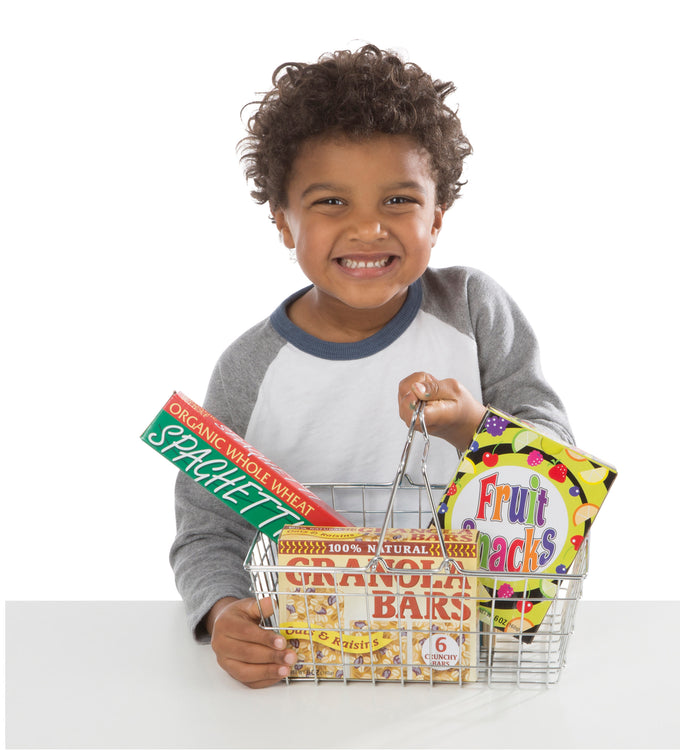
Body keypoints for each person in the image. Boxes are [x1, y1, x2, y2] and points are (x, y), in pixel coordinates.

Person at [169, 44, 573, 689]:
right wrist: (222, 613)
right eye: (330, 202)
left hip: (479, 656)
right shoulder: (251, 369)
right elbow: (209, 528)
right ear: (283, 222)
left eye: (397, 202)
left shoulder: (473, 310)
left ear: (436, 218)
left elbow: (560, 467)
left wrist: (471, 426)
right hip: (311, 664)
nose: (367, 229)